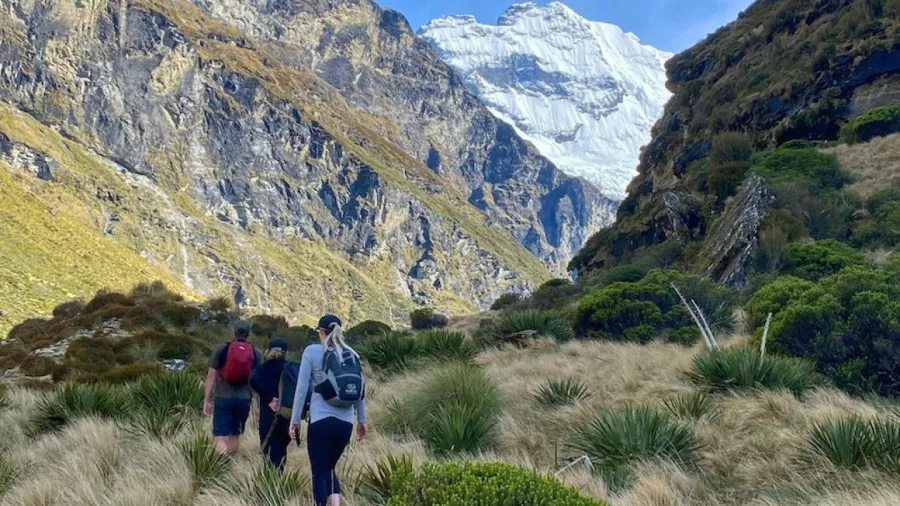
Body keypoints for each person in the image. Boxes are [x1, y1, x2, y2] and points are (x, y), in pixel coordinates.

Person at [289, 315, 368, 506]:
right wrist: (362, 420)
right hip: (345, 423)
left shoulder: (312, 351)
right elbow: (360, 389)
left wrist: (295, 420)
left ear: (321, 332)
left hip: (320, 421)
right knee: (330, 467)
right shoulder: (352, 354)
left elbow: (301, 388)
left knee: (320, 470)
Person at [204, 320, 263, 455]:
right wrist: (259, 407)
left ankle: (220, 465)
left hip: (223, 396)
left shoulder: (222, 349)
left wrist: (207, 400)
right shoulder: (256, 352)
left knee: (220, 436)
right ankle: (230, 464)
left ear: (234, 332)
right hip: (244, 399)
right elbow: (259, 382)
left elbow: (212, 375)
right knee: (234, 434)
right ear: (248, 334)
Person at [249, 337, 292, 470]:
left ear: (269, 351)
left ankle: (268, 481)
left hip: (267, 415)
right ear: (286, 352)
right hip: (285, 414)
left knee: (267, 451)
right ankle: (279, 478)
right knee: (281, 449)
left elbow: (252, 380)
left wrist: (269, 399)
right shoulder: (290, 369)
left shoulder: (263, 368)